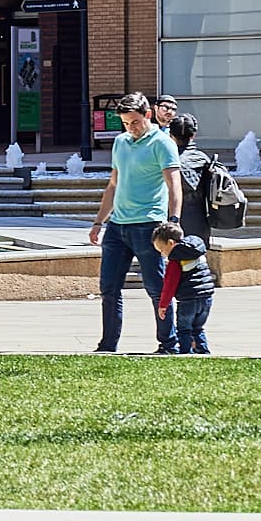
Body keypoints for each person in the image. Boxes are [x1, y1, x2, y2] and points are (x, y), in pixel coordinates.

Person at [88, 92, 182, 354]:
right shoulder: (120, 142)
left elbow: (174, 185)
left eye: (135, 122)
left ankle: (168, 343)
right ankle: (108, 345)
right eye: (126, 123)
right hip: (117, 227)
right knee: (109, 288)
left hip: (149, 226)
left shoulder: (162, 143)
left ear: (148, 115)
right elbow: (113, 185)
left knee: (157, 288)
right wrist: (98, 222)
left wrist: (173, 221)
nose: (131, 128)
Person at [151, 220, 217, 355]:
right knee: (198, 328)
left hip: (188, 300)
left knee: (184, 329)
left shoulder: (175, 260)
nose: (163, 254)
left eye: (162, 250)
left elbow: (170, 285)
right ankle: (203, 351)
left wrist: (163, 304)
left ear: (170, 243)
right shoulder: (197, 251)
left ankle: (185, 354)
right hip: (206, 297)